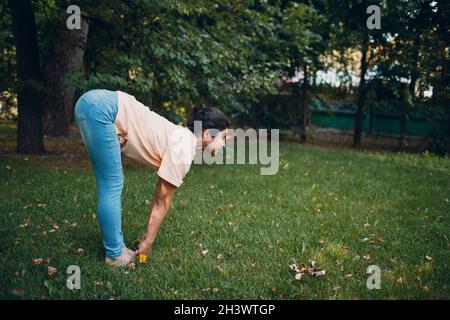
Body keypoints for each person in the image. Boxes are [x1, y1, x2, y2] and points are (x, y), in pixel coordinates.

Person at [74, 89, 230, 267]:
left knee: (109, 183)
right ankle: (115, 254)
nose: (224, 144)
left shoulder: (181, 138)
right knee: (112, 183)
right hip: (103, 108)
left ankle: (117, 250)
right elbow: (161, 201)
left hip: (93, 103)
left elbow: (159, 196)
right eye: (223, 137)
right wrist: (148, 242)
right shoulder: (183, 149)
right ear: (208, 134)